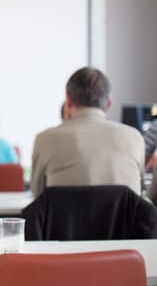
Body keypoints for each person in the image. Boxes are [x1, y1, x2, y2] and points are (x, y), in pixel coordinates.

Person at [30, 67, 145, 197]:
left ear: (67, 99)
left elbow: (37, 196)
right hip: (123, 218)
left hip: (65, 217)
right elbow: (139, 195)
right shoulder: (135, 137)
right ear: (109, 104)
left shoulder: (45, 139)